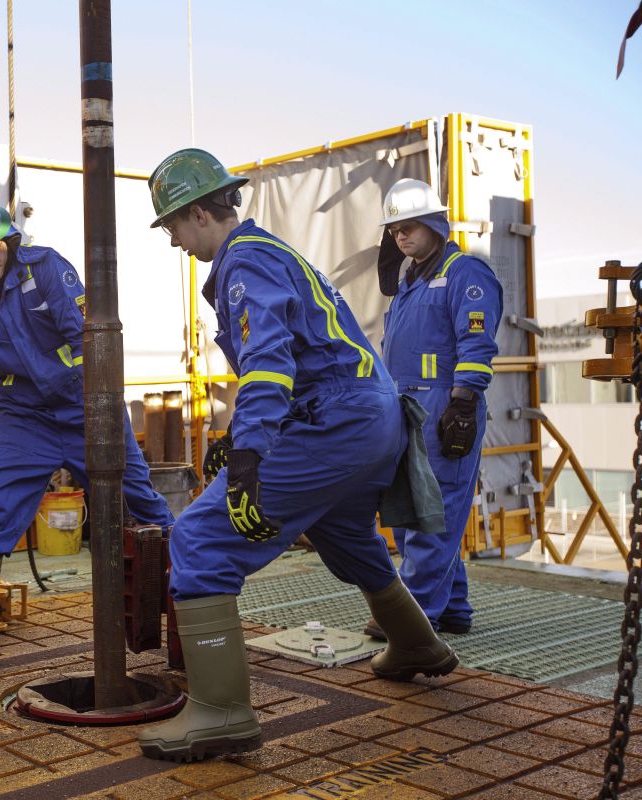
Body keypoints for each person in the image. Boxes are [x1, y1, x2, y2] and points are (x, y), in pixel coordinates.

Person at [136, 149, 457, 762]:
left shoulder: (243, 262)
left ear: (201, 213)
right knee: (347, 536)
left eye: (173, 226)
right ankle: (417, 645)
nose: (174, 241)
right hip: (369, 415)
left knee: (200, 539)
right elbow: (297, 354)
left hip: (336, 419)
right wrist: (240, 437)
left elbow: (269, 363)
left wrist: (247, 459)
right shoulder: (270, 252)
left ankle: (222, 713)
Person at [0, 187, 173, 681]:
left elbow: (86, 339)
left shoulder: (46, 270)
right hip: (24, 414)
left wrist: (81, 395)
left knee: (143, 503)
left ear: (8, 236)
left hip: (87, 403)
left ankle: (188, 608)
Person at [366, 178, 503, 640]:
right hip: (406, 409)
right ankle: (454, 609)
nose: (402, 237)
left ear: (434, 223)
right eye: (395, 231)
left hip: (444, 409)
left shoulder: (466, 273)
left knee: (434, 514)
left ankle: (415, 616)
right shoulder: (410, 280)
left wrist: (462, 404)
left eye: (409, 227)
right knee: (410, 514)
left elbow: (476, 342)